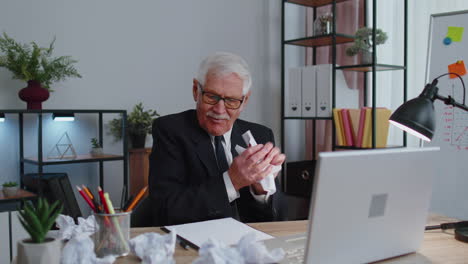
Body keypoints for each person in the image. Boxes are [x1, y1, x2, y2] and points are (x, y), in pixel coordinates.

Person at [148, 52, 286, 225]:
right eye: (212, 97)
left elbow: (277, 219)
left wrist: (261, 192)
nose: (220, 110)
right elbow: (164, 210)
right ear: (195, 91)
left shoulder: (261, 134)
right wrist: (232, 181)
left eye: (231, 100)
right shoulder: (171, 131)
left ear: (245, 101)